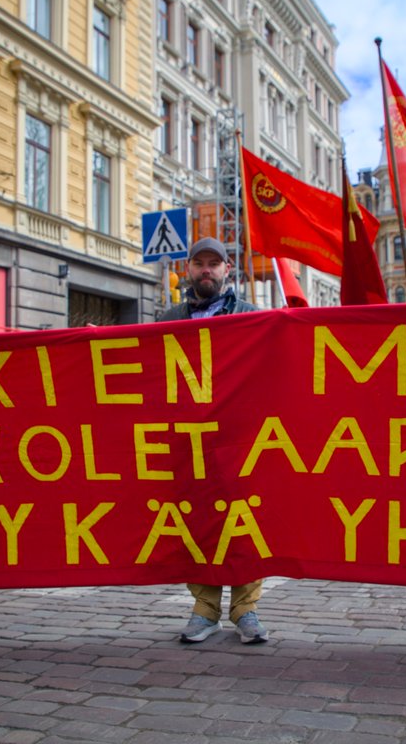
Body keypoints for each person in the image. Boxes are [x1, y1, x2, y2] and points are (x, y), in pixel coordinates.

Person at [157, 237, 269, 644]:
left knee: (244, 523)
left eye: (214, 264)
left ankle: (246, 610)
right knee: (197, 523)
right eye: (199, 263)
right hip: (190, 442)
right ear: (189, 270)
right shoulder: (170, 317)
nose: (207, 270)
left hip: (241, 441)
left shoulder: (252, 316)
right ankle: (204, 610)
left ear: (227, 270)